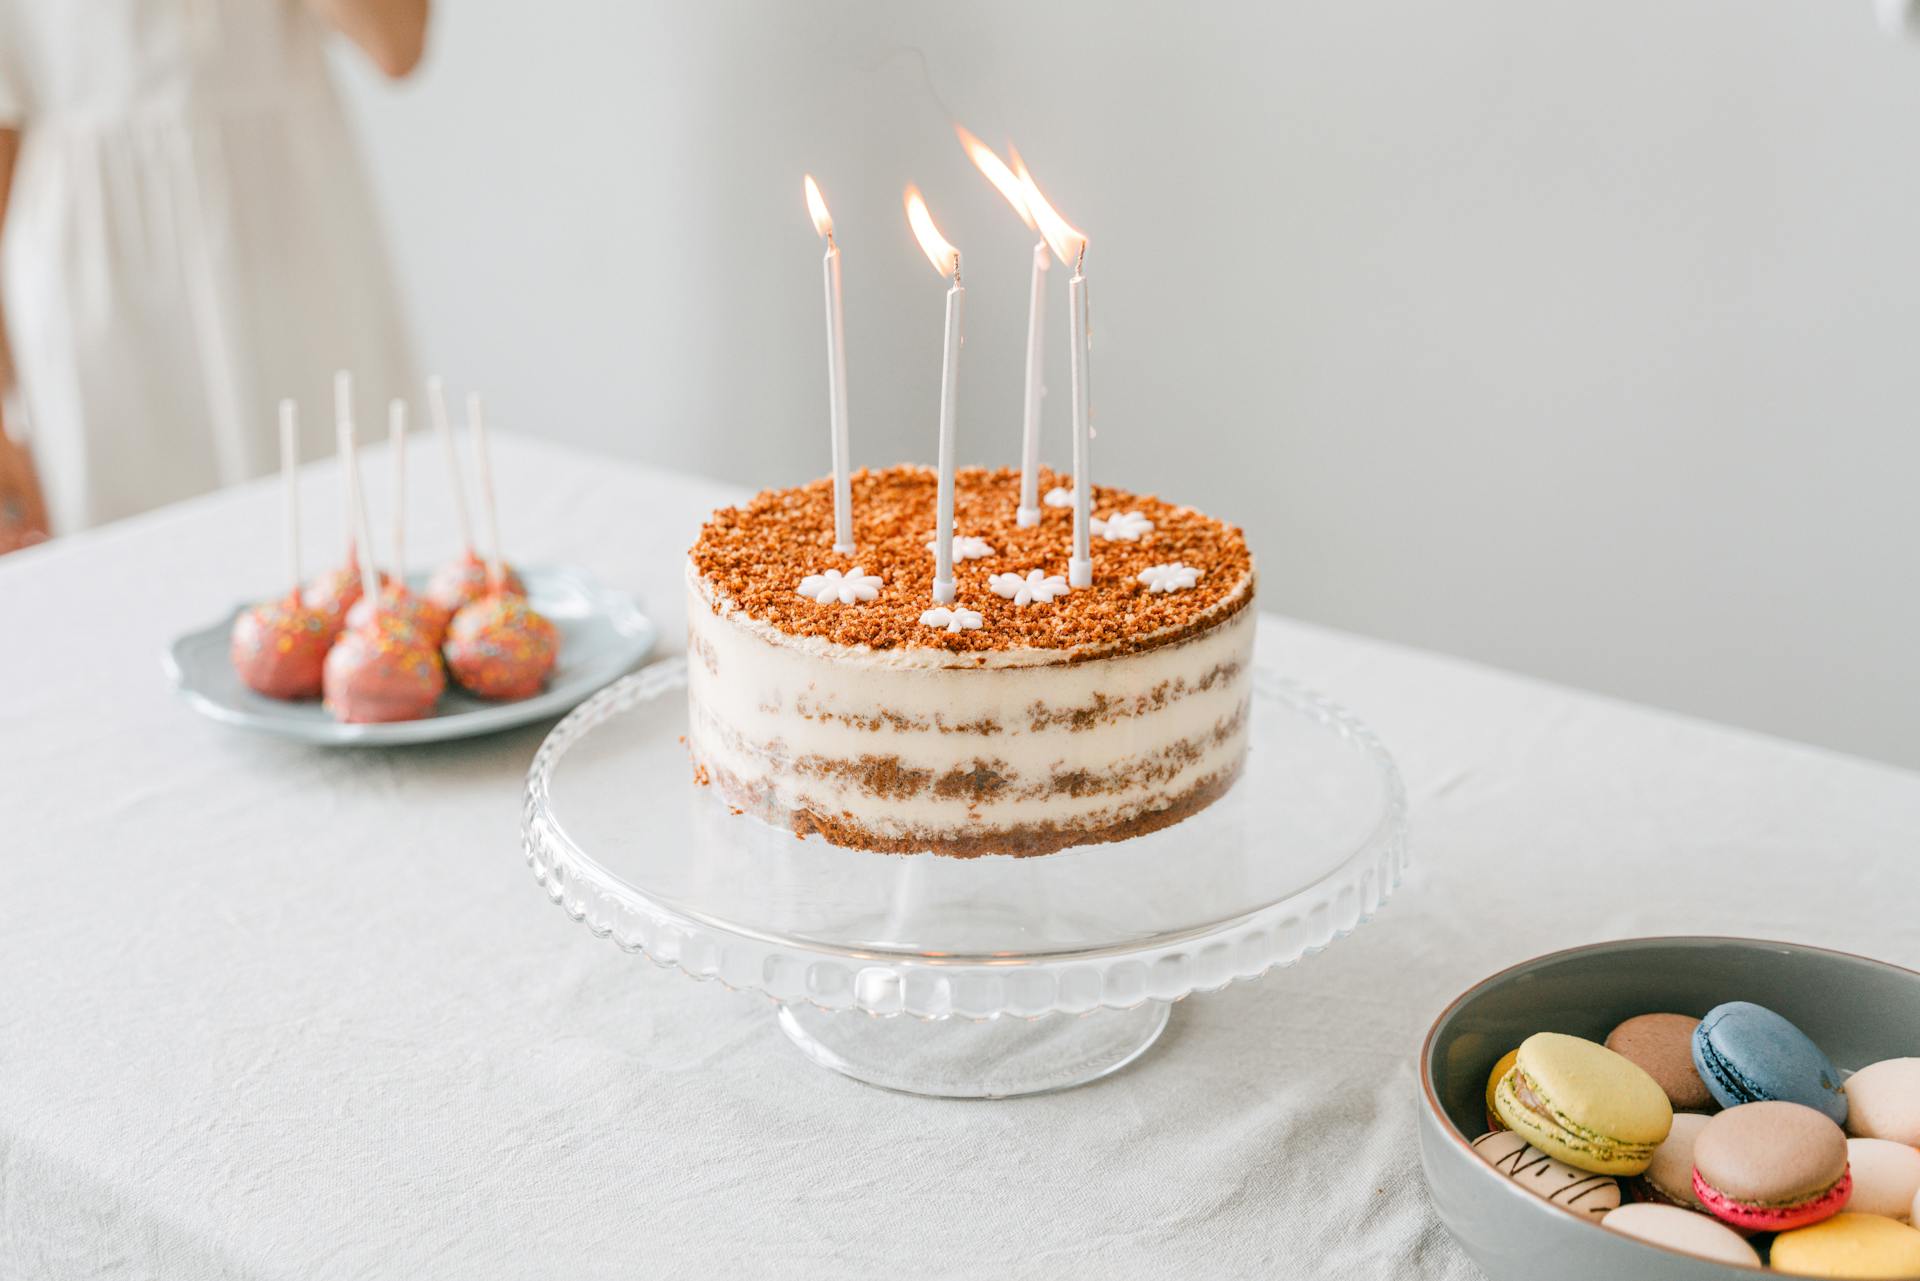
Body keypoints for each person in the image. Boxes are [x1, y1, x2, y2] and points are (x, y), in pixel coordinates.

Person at [0, 0, 426, 534]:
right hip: (92, 271)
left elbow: (398, 45)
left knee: (347, 527)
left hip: (292, 246)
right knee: (127, 554)